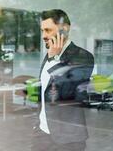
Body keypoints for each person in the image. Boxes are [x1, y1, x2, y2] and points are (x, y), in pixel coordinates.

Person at [32, 9, 94, 151]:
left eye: (48, 30)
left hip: (67, 140)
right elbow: (44, 92)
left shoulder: (83, 57)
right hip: (41, 134)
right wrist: (38, 124)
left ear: (64, 29)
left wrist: (54, 59)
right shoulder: (49, 55)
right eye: (42, 31)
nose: (43, 36)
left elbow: (64, 94)